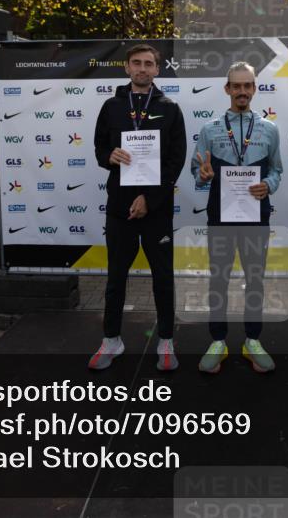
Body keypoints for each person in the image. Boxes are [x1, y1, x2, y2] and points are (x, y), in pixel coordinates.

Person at [90, 44, 187, 371]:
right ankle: (111, 339)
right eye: (137, 63)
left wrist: (150, 198)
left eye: (149, 64)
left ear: (158, 69)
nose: (143, 69)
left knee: (163, 277)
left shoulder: (170, 108)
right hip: (119, 208)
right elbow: (99, 146)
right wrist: (109, 156)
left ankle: (166, 340)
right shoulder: (111, 106)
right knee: (116, 277)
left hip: (156, 208)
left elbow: (176, 161)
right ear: (128, 68)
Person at [191, 62, 282, 374]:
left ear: (254, 89)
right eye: (236, 86)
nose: (242, 91)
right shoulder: (209, 130)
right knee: (219, 278)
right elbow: (196, 173)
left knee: (255, 279)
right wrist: (202, 176)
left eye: (248, 86)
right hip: (220, 216)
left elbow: (277, 170)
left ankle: (252, 340)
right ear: (227, 89)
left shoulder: (270, 129)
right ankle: (218, 340)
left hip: (257, 215)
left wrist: (268, 184)